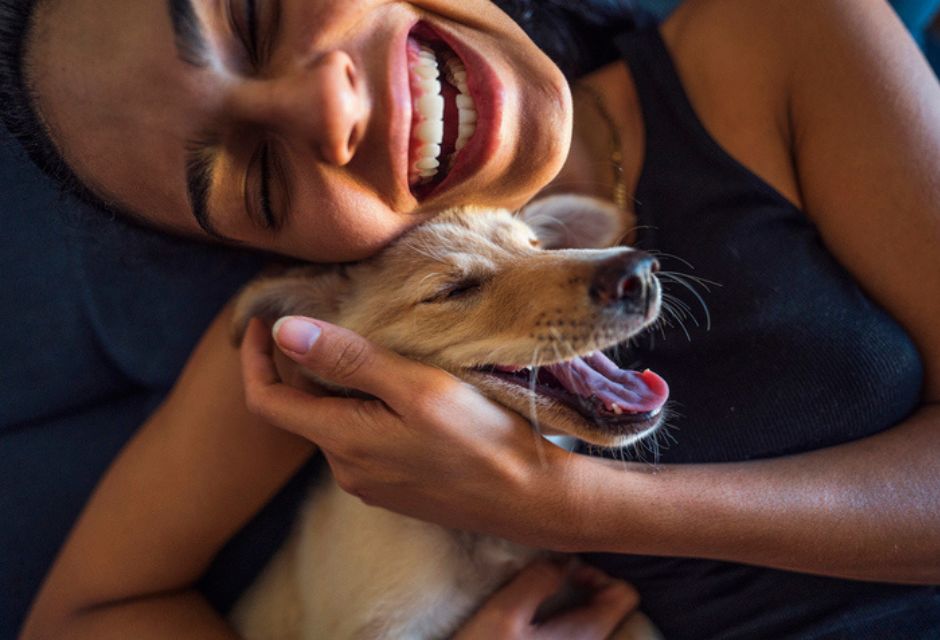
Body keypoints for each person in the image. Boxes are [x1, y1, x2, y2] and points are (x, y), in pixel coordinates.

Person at [1, 0, 938, 638]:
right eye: (263, 178)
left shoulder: (786, 33)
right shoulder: (320, 329)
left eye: (251, 11)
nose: (326, 107)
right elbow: (85, 616)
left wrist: (563, 504)